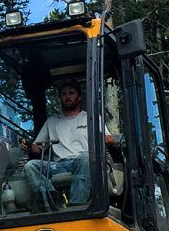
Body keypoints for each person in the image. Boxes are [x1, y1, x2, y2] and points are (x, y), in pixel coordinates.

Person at [22, 79, 116, 209]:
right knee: (30, 166)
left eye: (71, 93)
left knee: (86, 157)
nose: (68, 97)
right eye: (64, 94)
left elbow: (109, 139)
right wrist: (27, 145)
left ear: (79, 97)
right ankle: (53, 202)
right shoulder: (52, 121)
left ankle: (75, 206)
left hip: (81, 161)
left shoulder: (90, 117)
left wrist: (96, 137)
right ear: (60, 98)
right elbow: (36, 149)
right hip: (57, 164)